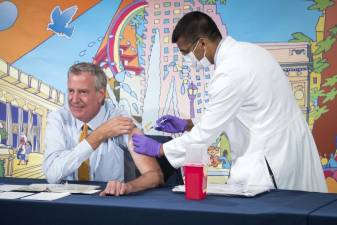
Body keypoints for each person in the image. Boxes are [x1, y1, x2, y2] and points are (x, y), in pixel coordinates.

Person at [132, 11, 327, 192]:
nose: (185, 59)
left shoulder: (230, 72)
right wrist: (189, 123)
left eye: (185, 52)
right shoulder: (249, 52)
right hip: (286, 146)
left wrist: (160, 149)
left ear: (201, 44)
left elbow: (204, 135)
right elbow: (238, 107)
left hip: (272, 158)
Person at [43, 62, 163, 196]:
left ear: (100, 95)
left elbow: (155, 176)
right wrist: (99, 135)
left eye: (83, 92)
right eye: (71, 91)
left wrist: (128, 187)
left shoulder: (120, 120)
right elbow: (52, 175)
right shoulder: (58, 118)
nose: (74, 99)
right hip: (68, 201)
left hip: (109, 203)